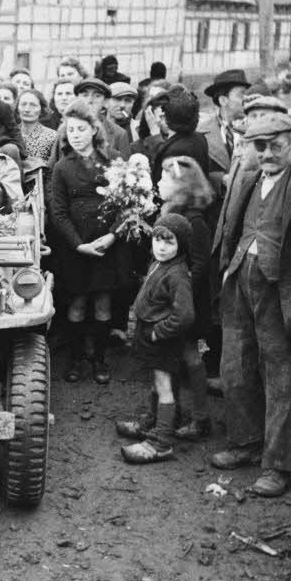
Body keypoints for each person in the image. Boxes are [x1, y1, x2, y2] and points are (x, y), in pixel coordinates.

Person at [209, 112, 291, 497]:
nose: (265, 153)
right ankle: (245, 442)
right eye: (258, 146)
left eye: (274, 145)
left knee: (281, 378)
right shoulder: (248, 179)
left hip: (284, 296)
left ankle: (278, 463)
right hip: (240, 284)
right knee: (235, 366)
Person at [118, 156, 215, 443]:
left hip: (184, 303)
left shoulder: (193, 221)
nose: (158, 183)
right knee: (176, 360)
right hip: (174, 301)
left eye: (164, 179)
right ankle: (170, 417)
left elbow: (198, 265)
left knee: (189, 359)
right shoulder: (172, 210)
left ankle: (198, 418)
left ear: (181, 185)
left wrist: (173, 296)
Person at [48, 98, 120, 384]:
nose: (75, 135)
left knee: (103, 303)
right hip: (77, 247)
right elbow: (58, 212)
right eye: (70, 130)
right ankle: (76, 359)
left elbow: (127, 203)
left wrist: (113, 235)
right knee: (77, 303)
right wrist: (78, 244)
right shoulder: (62, 168)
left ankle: (100, 360)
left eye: (81, 129)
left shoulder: (113, 161)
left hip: (108, 244)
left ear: (94, 129)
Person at [119, 213, 195, 464]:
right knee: (156, 381)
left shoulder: (178, 275)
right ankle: (154, 422)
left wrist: (158, 331)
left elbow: (184, 316)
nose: (161, 247)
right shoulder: (159, 263)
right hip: (151, 336)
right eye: (157, 240)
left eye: (169, 242)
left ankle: (161, 442)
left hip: (162, 339)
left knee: (164, 386)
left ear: (181, 245)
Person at [197, 69, 250, 195]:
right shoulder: (201, 132)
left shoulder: (256, 129)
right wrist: (220, 180)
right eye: (241, 95)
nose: (246, 99)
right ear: (223, 100)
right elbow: (197, 171)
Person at [150, 85, 210, 185]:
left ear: (166, 118)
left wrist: (155, 137)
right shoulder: (200, 138)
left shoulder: (176, 150)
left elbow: (168, 184)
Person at [15, 89, 59, 163]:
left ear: (42, 109)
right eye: (23, 104)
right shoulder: (10, 134)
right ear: (17, 108)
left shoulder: (52, 136)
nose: (27, 109)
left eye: (33, 105)